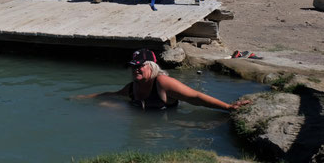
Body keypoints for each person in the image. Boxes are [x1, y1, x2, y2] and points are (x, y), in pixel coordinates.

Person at [74, 49, 251, 111]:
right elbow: (112, 94)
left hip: (161, 124)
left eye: (140, 65)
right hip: (141, 118)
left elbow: (195, 97)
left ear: (151, 66)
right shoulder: (132, 87)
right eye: (133, 66)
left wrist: (228, 107)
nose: (136, 69)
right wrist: (87, 97)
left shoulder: (163, 83)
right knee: (106, 104)